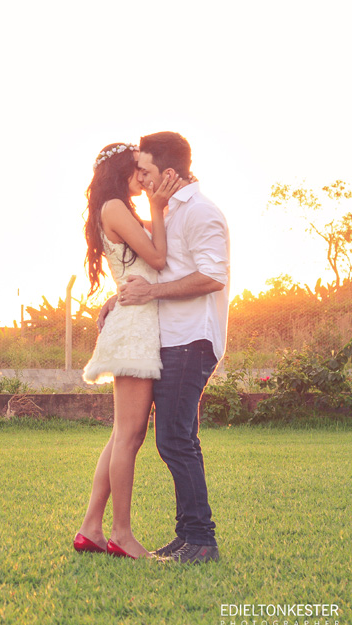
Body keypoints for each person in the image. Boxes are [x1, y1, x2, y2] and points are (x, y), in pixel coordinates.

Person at [115, 131, 230, 564]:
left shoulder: (202, 212)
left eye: (143, 170)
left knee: (176, 440)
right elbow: (162, 272)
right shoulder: (168, 212)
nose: (138, 178)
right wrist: (125, 295)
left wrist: (152, 294)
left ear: (167, 172)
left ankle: (201, 540)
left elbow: (211, 277)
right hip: (174, 340)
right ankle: (189, 538)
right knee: (176, 440)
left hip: (193, 340)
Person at [74, 142, 182, 560]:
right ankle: (121, 533)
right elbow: (156, 258)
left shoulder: (116, 208)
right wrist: (159, 206)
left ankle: (90, 528)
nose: (144, 176)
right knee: (131, 435)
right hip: (135, 325)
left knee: (122, 434)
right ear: (122, 171)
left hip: (134, 317)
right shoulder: (117, 207)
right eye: (138, 169)